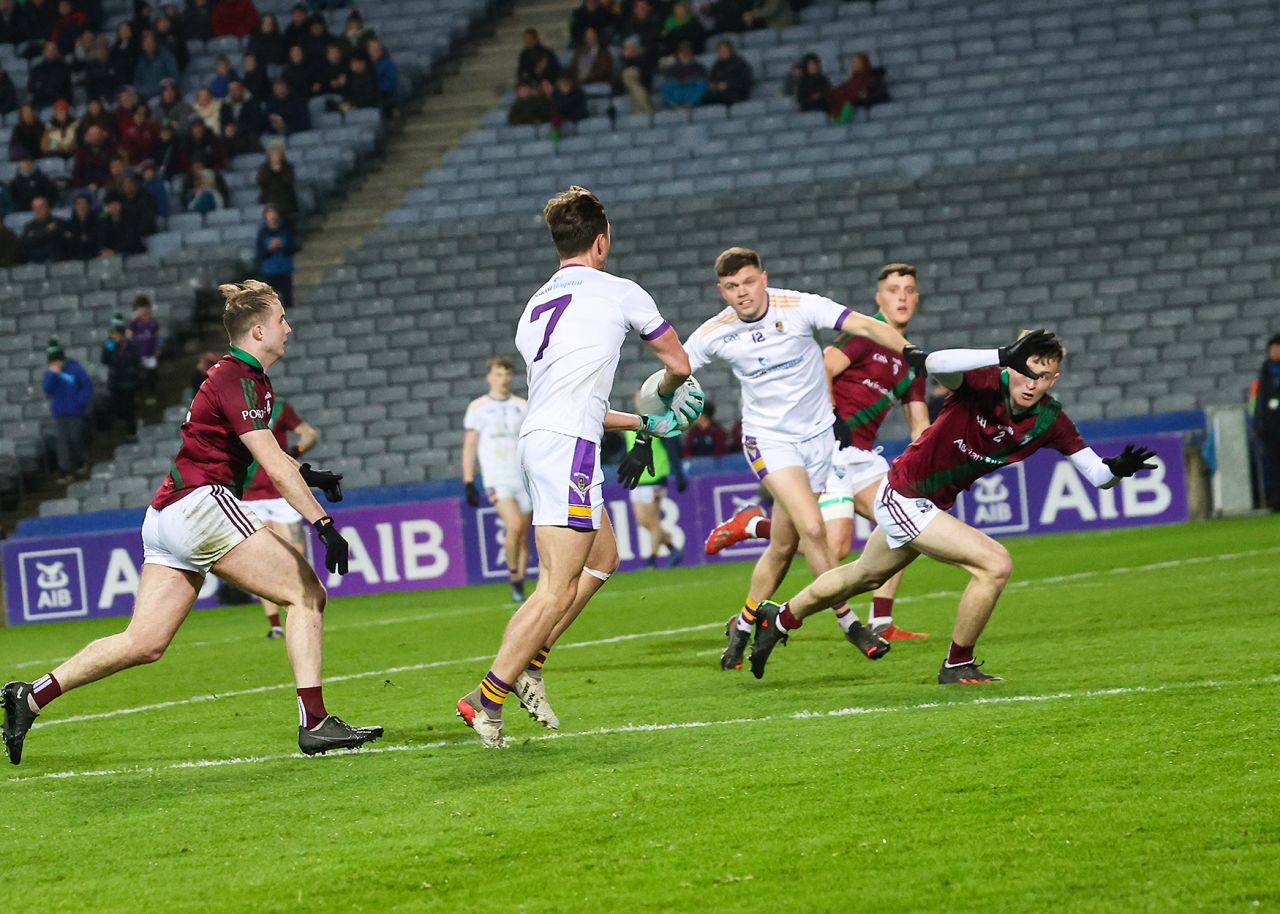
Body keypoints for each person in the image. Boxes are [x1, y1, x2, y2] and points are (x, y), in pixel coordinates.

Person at [2, 279, 380, 767]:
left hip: (165, 515)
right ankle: (315, 723)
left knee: (143, 642)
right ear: (259, 330)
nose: (290, 326)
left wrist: (312, 474)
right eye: (283, 319)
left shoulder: (235, 377)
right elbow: (271, 463)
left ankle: (29, 697)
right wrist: (324, 524)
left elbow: (244, 449)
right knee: (306, 593)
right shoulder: (241, 379)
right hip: (200, 506)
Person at [746, 331, 1160, 683]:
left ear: (1055, 378)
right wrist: (1000, 356)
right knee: (995, 564)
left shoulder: (1050, 420)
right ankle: (957, 664)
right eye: (1028, 370)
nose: (1034, 383)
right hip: (905, 494)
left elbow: (1097, 475)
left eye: (1046, 376)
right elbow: (934, 363)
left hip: (924, 503)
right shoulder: (983, 381)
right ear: (1013, 364)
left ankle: (778, 618)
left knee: (863, 576)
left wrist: (1116, 469)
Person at [455, 185, 698, 749]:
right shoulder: (620, 292)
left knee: (603, 557)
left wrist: (644, 426)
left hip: (542, 440)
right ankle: (487, 697)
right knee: (555, 589)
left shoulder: (535, 306)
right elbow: (679, 364)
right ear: (602, 240)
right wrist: (659, 396)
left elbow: (573, 398)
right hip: (568, 448)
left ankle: (531, 664)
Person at [678, 246, 915, 672]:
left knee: (784, 546)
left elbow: (862, 324)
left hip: (819, 440)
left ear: (763, 279)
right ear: (721, 290)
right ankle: (852, 624)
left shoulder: (800, 306)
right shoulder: (715, 332)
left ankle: (744, 625)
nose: (742, 293)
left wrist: (912, 352)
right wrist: (648, 416)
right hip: (769, 441)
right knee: (813, 529)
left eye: (748, 282)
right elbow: (674, 369)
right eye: (732, 287)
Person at [242, 394, 320, 638]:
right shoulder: (234, 412)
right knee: (261, 560)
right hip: (250, 496)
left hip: (280, 491)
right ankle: (275, 625)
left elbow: (309, 434)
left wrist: (296, 451)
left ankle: (305, 611)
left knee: (297, 555)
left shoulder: (278, 408)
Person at [462, 356, 533, 603]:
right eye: (498, 374)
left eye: (506, 374)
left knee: (523, 534)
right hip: (497, 479)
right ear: (489, 377)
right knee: (513, 526)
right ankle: (514, 576)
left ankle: (519, 582)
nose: (503, 378)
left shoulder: (522, 405)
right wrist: (468, 481)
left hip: (523, 478)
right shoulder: (477, 408)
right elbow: (470, 445)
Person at [623, 390, 686, 568]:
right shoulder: (633, 423)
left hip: (655, 477)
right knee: (642, 521)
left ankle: (651, 559)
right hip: (637, 478)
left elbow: (672, 449)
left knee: (653, 520)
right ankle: (672, 548)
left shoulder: (659, 423)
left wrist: (678, 473)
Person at [41, 338, 94, 482]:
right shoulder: (50, 373)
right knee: (62, 442)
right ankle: (64, 469)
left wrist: (79, 403)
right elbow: (47, 389)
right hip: (60, 413)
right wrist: (53, 374)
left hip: (76, 412)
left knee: (75, 438)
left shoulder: (74, 368)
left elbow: (87, 386)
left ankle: (80, 462)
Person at [1251, 332, 1280, 510]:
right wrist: (1258, 424)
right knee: (1274, 467)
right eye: (1273, 349)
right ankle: (1277, 502)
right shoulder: (1264, 373)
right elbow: (1257, 401)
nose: (1275, 352)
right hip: (1270, 429)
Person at [101, 314, 141, 438]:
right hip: (115, 382)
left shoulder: (130, 344)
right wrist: (111, 346)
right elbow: (105, 360)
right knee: (117, 408)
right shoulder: (110, 345)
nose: (114, 336)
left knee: (129, 409)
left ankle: (132, 431)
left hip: (128, 382)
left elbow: (135, 360)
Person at [128, 294, 161, 403]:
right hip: (138, 355)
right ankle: (140, 396)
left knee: (151, 376)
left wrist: (158, 347)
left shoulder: (153, 322)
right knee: (139, 376)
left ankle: (153, 395)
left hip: (150, 354)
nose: (142, 311)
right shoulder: (134, 323)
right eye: (140, 309)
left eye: (144, 308)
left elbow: (157, 336)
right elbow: (128, 336)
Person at [703, 39, 753, 107]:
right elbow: (711, 80)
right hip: (719, 94)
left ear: (730, 49)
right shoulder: (717, 65)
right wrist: (715, 86)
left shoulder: (740, 63)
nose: (722, 51)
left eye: (724, 49)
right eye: (720, 49)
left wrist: (727, 85)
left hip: (736, 93)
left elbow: (746, 81)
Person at [660, 41, 707, 109]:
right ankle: (674, 105)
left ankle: (689, 105)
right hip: (677, 96)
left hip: (691, 94)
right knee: (668, 85)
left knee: (701, 84)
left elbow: (701, 87)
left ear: (691, 53)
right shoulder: (672, 69)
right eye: (682, 52)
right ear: (678, 54)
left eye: (687, 52)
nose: (685, 54)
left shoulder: (699, 67)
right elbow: (668, 87)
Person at [59, 192, 102, 260]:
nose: (82, 206)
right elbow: (67, 243)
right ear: (74, 206)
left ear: (88, 206)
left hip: (94, 257)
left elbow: (95, 240)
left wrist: (74, 237)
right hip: (73, 259)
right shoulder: (67, 224)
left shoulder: (97, 222)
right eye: (78, 204)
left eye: (84, 203)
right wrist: (83, 238)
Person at [20, 196, 61, 262]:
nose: (38, 210)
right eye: (35, 208)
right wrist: (46, 230)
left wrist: (35, 235)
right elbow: (26, 242)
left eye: (41, 207)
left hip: (55, 260)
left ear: (47, 208)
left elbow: (55, 239)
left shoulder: (57, 222)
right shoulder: (29, 226)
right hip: (34, 260)